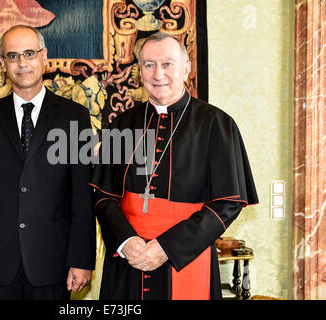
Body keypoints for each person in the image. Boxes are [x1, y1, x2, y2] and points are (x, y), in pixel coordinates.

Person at [90, 32, 258, 300]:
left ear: (186, 68)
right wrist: (125, 241)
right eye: (149, 65)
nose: (158, 74)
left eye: (167, 64)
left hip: (187, 256)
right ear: (139, 71)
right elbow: (104, 195)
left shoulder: (217, 124)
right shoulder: (122, 124)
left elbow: (227, 203)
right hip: (128, 259)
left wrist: (167, 247)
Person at [0, 25, 95, 300]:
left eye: (29, 53)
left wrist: (82, 259)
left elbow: (81, 195)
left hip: (53, 265)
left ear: (45, 57)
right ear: (4, 65)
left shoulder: (74, 118)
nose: (22, 63)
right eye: (13, 56)